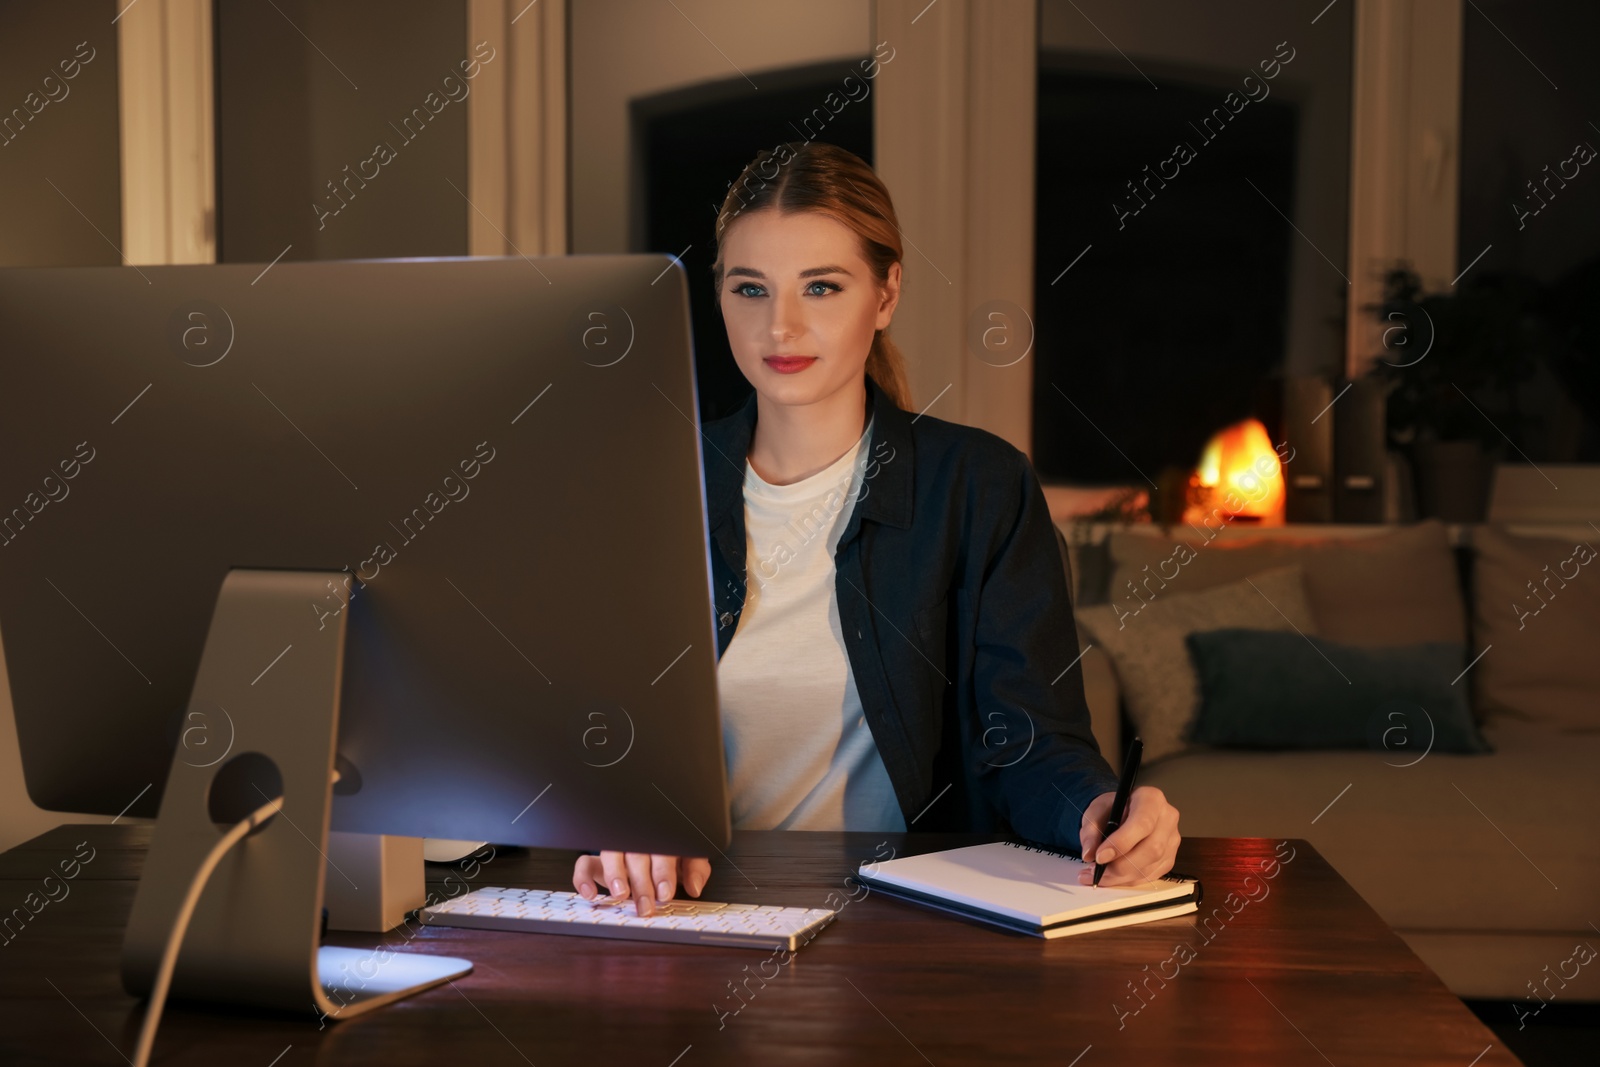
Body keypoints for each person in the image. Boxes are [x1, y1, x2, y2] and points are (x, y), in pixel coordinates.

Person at [574, 142, 1179, 916]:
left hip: (903, 927)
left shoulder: (980, 486)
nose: (781, 326)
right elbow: (593, 730)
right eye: (749, 288)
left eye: (821, 286)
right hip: (687, 916)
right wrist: (620, 819)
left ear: (887, 293)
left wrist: (1099, 811)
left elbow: (1030, 742)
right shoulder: (652, 485)